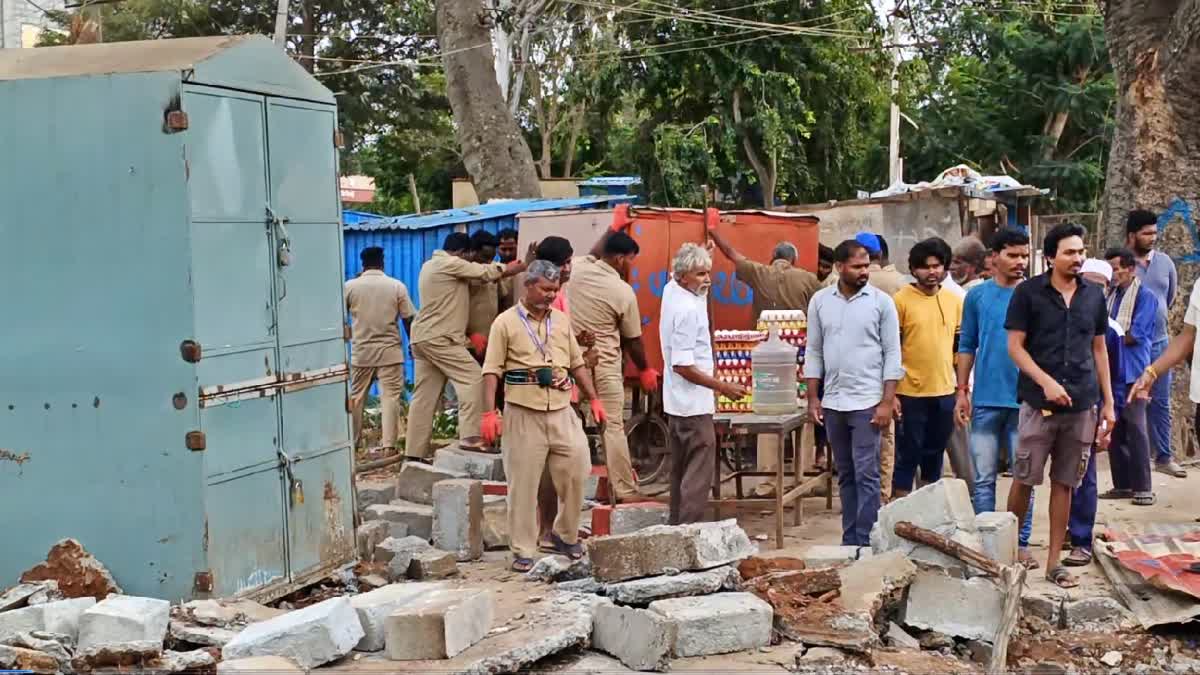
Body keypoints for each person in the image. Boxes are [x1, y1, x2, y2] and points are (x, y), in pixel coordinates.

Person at [1004, 222, 1115, 588]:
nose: (1077, 258)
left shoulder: (1093, 297)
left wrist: (1108, 404)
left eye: (1081, 252)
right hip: (1038, 404)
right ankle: (1009, 555)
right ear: (1050, 256)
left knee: (1065, 483)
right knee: (1023, 480)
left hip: (1082, 404)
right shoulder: (1028, 294)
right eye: (1070, 252)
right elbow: (1015, 347)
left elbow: (1099, 350)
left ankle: (1054, 563)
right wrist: (1046, 382)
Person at [480, 260, 604, 572]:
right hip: (523, 412)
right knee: (523, 484)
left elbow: (576, 363)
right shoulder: (504, 324)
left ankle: (565, 533)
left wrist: (594, 398)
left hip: (562, 409)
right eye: (546, 289)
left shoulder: (561, 321)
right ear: (529, 285)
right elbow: (491, 371)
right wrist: (488, 413)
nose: (551, 295)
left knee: (578, 469)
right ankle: (523, 548)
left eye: (555, 289)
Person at [805, 239, 902, 546]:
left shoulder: (881, 302)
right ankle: (850, 542)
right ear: (839, 267)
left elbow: (893, 354)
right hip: (834, 402)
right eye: (857, 266)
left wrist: (886, 402)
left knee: (868, 475)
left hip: (868, 403)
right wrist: (812, 397)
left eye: (866, 266)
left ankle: (867, 541)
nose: (864, 272)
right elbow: (814, 350)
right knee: (845, 475)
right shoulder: (820, 301)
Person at [955, 229, 1037, 568]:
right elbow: (966, 344)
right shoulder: (976, 297)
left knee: (1024, 476)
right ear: (994, 257)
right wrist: (962, 391)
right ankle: (986, 544)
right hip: (986, 398)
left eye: (1024, 256)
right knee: (984, 477)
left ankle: (1020, 542)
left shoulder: (1035, 295)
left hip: (1026, 402)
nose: (1020, 262)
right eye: (1013, 255)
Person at [406, 232, 526, 459]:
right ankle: (471, 440)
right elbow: (485, 271)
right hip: (440, 338)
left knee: (425, 397)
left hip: (424, 337)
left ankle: (413, 453)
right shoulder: (449, 263)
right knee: (474, 380)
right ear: (464, 253)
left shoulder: (430, 265)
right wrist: (521, 266)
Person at [568, 225, 658, 504]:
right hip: (604, 367)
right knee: (613, 427)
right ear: (621, 259)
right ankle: (624, 489)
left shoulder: (576, 268)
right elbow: (633, 339)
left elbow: (595, 251)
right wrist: (644, 370)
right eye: (631, 259)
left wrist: (613, 227)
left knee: (565, 423)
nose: (631, 265)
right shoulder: (621, 291)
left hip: (572, 363)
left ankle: (565, 487)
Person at [660, 242, 747, 524]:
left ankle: (675, 529)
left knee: (680, 471)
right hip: (692, 405)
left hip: (675, 403)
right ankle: (688, 531)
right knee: (697, 476)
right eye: (700, 274)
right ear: (683, 276)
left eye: (708, 273)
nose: (707, 280)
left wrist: (702, 251)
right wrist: (723, 387)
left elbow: (676, 272)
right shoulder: (687, 309)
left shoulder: (671, 290)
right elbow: (683, 365)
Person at [892, 238, 963, 498]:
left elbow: (959, 348)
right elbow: (891, 349)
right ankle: (898, 511)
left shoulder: (955, 301)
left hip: (944, 391)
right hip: (909, 393)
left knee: (935, 457)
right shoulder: (899, 301)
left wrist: (961, 390)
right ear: (913, 270)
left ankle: (929, 512)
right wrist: (893, 394)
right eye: (925, 267)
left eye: (937, 265)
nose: (932, 272)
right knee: (907, 456)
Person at [1064, 259, 1122, 569]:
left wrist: (1109, 415)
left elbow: (1114, 376)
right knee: (1058, 475)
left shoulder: (1111, 331)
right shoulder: (1056, 317)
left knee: (1084, 475)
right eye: (1088, 282)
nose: (1093, 291)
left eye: (1101, 285)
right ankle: (1064, 530)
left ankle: (1081, 540)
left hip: (1090, 408)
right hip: (1055, 406)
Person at [1125, 209, 1185, 478]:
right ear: (1131, 236)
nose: (1152, 237)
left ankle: (1164, 456)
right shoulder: (1123, 265)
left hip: (1160, 342)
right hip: (1130, 346)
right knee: (1129, 403)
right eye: (1146, 233)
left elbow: (1169, 298)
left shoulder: (1165, 263)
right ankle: (1132, 464)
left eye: (1154, 232)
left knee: (1161, 401)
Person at [1098, 248, 1158, 507]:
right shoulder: (1110, 295)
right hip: (1113, 369)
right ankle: (1122, 484)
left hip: (1134, 371)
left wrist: (1109, 336)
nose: (1112, 274)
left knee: (1136, 428)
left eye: (1116, 268)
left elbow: (1137, 333)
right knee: (1116, 428)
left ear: (1130, 269)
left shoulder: (1145, 297)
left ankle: (1143, 487)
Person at [345, 247, 418, 451]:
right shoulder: (396, 286)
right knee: (390, 398)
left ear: (363, 264)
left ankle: (352, 444)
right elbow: (408, 319)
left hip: (362, 353)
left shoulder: (350, 287)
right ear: (382, 262)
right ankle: (388, 446)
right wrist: (413, 344)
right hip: (390, 353)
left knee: (356, 398)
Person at [708, 226, 819, 323]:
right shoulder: (808, 278)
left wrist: (712, 231)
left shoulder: (758, 272)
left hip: (764, 340)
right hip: (798, 340)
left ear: (774, 256)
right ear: (794, 260)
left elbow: (730, 253)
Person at [466, 230, 502, 361]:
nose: (489, 262)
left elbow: (501, 300)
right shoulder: (463, 274)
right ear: (472, 252)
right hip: (469, 341)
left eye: (492, 258)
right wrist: (469, 335)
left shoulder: (495, 271)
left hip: (491, 339)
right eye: (485, 257)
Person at [497, 228, 520, 313]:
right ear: (497, 249)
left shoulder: (525, 271)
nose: (507, 253)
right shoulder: (493, 270)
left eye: (511, 249)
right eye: (503, 249)